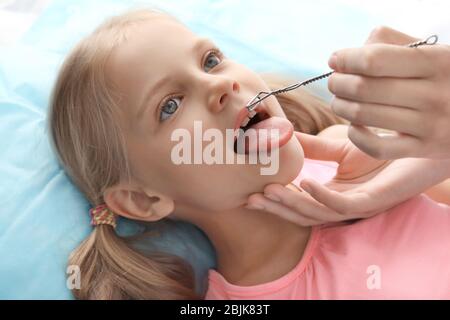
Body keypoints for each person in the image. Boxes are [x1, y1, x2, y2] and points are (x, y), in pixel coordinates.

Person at [49, 9, 450, 299]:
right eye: (169, 105)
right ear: (143, 198)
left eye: (210, 61)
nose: (218, 85)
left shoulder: (356, 150)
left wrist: (434, 157)